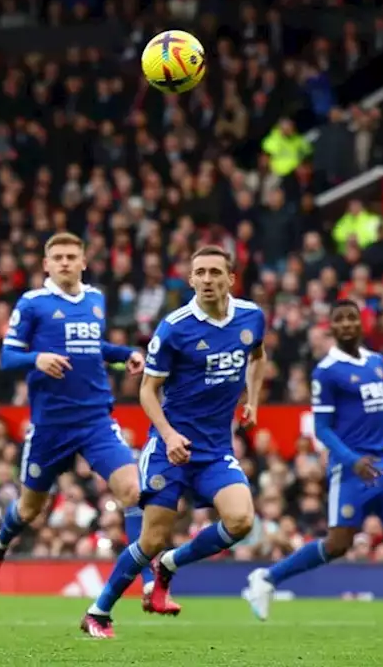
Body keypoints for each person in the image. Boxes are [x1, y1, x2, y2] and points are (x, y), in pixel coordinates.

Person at [81, 245, 266, 639]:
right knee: (151, 539)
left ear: (231, 278)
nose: (208, 279)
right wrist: (168, 435)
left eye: (217, 272)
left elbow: (258, 356)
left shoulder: (251, 316)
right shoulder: (175, 327)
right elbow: (148, 391)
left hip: (215, 449)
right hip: (170, 448)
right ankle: (99, 611)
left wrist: (250, 398)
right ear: (191, 279)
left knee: (241, 520)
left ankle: (170, 565)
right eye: (201, 272)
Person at [244, 300, 383, 632]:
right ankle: (267, 578)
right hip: (352, 467)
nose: (345, 324)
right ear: (331, 326)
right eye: (339, 319)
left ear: (360, 323)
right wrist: (351, 460)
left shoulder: (376, 361)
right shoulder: (326, 371)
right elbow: (323, 428)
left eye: (351, 318)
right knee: (338, 544)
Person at [0, 233, 151, 600]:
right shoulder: (32, 303)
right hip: (50, 425)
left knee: (133, 491)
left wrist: (124, 354)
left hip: (95, 420)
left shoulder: (95, 299)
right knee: (29, 509)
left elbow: (92, 347)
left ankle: (146, 578)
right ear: (46, 264)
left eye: (71, 256)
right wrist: (36, 359)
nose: (64, 262)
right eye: (57, 257)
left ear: (83, 262)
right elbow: (8, 358)